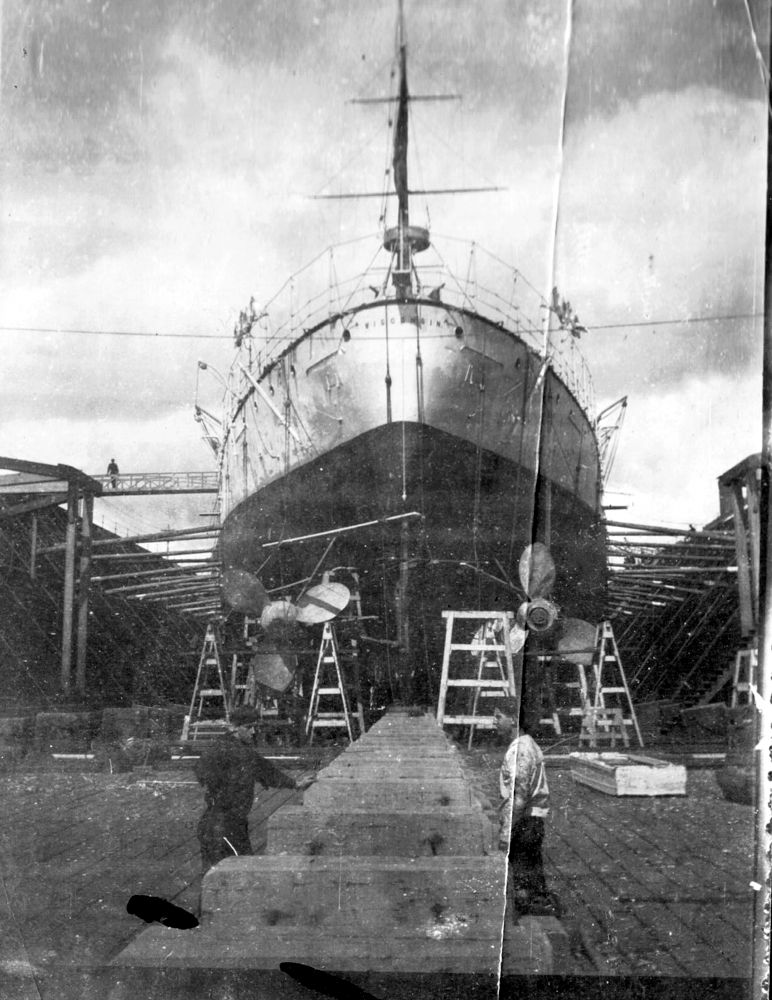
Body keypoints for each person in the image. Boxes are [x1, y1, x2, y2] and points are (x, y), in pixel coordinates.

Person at [194, 706, 314, 872]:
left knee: (217, 877)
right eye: (249, 727)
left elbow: (266, 770)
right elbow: (265, 770)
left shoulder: (222, 746)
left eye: (255, 727)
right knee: (237, 873)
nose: (253, 732)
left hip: (223, 824)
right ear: (235, 728)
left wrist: (295, 783)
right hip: (224, 827)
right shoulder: (238, 752)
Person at [494, 703, 560, 917]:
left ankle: (530, 915)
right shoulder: (527, 744)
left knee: (522, 873)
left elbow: (520, 795)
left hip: (525, 822)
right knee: (532, 871)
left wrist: (506, 832)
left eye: (498, 716)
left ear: (513, 719)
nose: (494, 722)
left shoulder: (520, 750)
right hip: (532, 820)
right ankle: (539, 904)